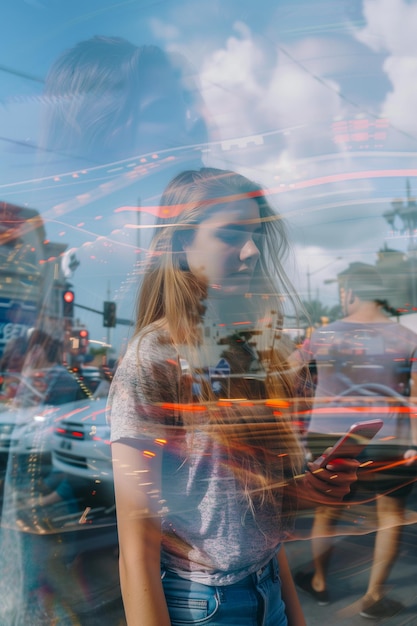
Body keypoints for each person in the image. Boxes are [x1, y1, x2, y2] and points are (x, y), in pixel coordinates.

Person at [107, 167, 359, 626]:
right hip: (201, 606)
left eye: (256, 235)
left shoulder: (250, 351)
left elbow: (248, 521)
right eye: (230, 234)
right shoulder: (154, 357)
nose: (251, 252)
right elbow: (136, 551)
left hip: (268, 591)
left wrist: (304, 485)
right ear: (181, 243)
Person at [293, 262, 417, 620]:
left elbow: (285, 373)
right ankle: (374, 596)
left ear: (347, 291)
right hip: (387, 434)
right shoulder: (407, 339)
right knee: (392, 514)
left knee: (327, 510)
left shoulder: (324, 335)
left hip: (329, 435)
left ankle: (318, 581)